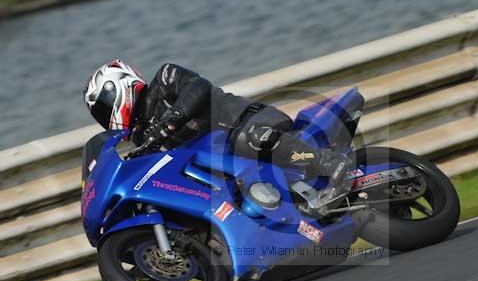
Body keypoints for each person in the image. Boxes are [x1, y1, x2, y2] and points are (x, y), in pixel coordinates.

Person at [83, 59, 352, 185]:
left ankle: (326, 162)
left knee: (251, 140)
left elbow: (198, 88)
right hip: (226, 165)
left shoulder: (165, 78)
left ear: (117, 88)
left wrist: (171, 119)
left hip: (247, 123)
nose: (105, 117)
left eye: (103, 108)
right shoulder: (143, 140)